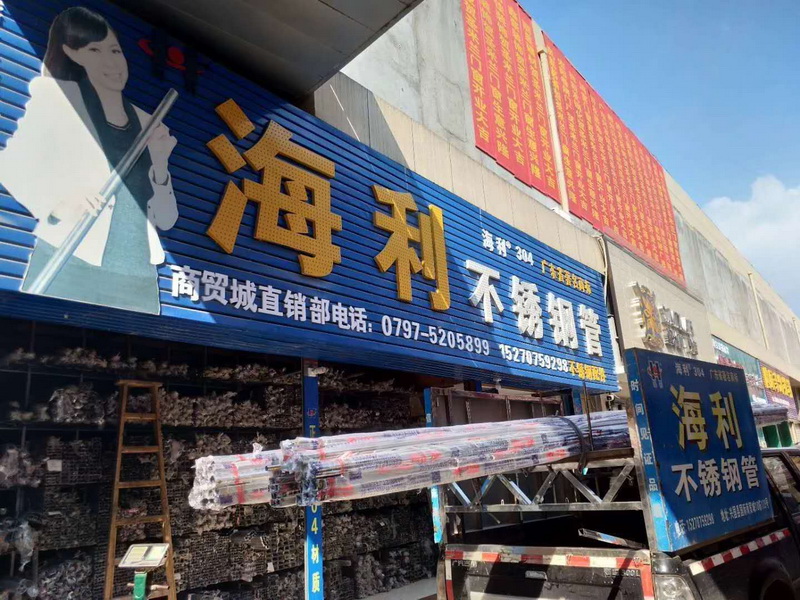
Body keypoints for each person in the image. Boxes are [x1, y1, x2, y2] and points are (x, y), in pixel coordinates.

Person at [0, 6, 178, 314]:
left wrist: (160, 164)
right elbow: (11, 166)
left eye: (115, 50)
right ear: (73, 53)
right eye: (95, 50)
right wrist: (58, 203)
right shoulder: (58, 99)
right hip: (71, 263)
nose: (112, 62)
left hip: (137, 281)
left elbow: (166, 220)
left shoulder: (148, 123)